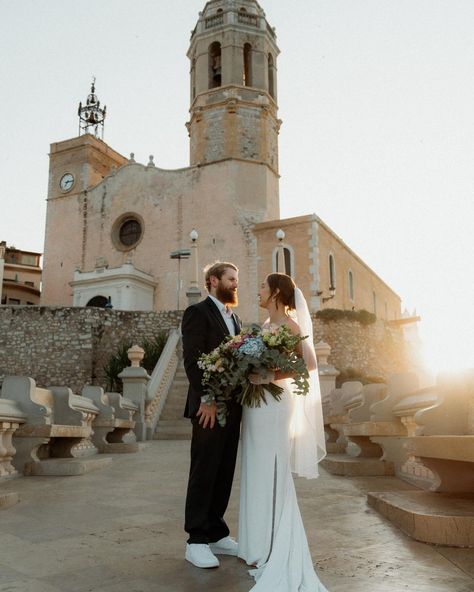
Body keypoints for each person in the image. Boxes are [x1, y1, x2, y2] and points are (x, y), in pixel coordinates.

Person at [238, 273, 328, 591]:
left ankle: (272, 545)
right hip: (254, 405)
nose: (258, 290)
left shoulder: (290, 326)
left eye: (262, 286)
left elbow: (309, 364)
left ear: (276, 292)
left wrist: (270, 375)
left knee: (271, 468)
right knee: (254, 468)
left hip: (274, 405)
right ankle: (254, 544)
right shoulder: (263, 326)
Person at [182, 261, 242, 569]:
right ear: (212, 280)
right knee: (204, 470)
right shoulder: (197, 313)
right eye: (230, 279)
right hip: (208, 408)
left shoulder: (236, 319)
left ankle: (217, 533)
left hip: (232, 408)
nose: (235, 284)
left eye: (236, 280)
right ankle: (196, 540)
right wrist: (207, 397)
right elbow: (192, 360)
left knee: (224, 471)